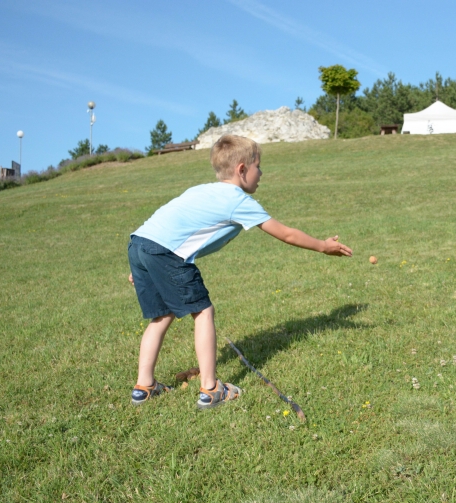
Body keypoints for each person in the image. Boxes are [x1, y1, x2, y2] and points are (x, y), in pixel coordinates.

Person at [127, 135, 353, 409]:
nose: (262, 173)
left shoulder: (198, 190)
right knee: (203, 312)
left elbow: (163, 224)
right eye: (259, 166)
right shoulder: (236, 200)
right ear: (242, 169)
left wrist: (145, 268)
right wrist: (322, 246)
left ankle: (144, 387)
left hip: (139, 244)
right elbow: (287, 234)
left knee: (161, 316)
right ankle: (211, 390)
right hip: (164, 253)